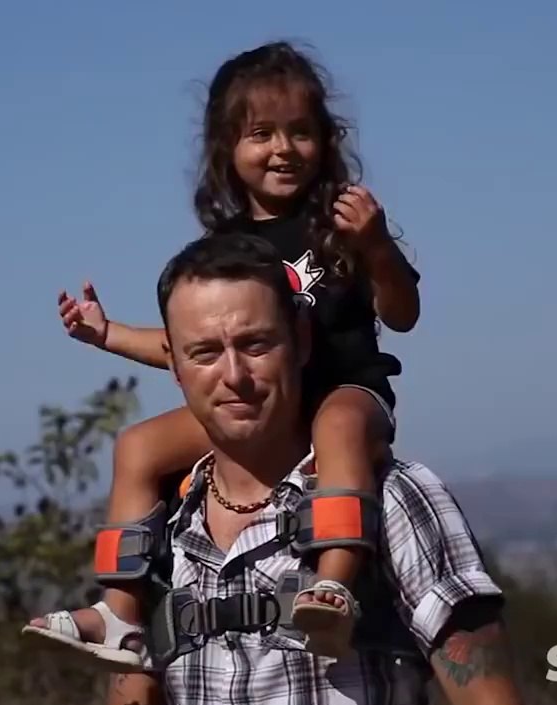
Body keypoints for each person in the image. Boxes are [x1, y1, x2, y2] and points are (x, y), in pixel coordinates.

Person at [24, 40, 422, 669]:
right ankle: (120, 614)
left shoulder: (343, 223)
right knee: (137, 447)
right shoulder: (226, 249)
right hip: (260, 407)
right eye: (261, 134)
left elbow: (402, 314)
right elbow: (199, 354)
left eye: (300, 131)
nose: (283, 149)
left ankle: (334, 584)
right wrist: (108, 334)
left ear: (325, 139)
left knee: (340, 426)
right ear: (227, 149)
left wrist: (375, 246)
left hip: (344, 390)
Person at [102, 232, 522, 705]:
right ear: (174, 363)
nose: (234, 375)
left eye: (256, 344)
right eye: (206, 353)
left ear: (301, 341)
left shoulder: (394, 499)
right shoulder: (163, 530)